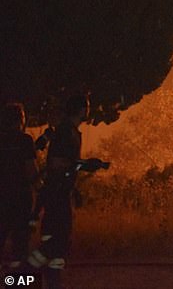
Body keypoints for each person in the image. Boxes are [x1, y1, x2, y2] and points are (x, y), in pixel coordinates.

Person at [28, 94, 89, 289]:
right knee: (58, 243)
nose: (88, 109)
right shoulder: (66, 132)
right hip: (57, 196)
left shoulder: (69, 131)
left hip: (60, 194)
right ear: (80, 109)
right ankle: (19, 277)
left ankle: (51, 283)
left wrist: (75, 187)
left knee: (58, 248)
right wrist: (83, 165)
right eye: (86, 106)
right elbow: (56, 164)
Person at [0, 102, 38, 272]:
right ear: (21, 119)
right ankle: (18, 282)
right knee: (20, 244)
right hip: (21, 198)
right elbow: (31, 170)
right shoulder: (25, 140)